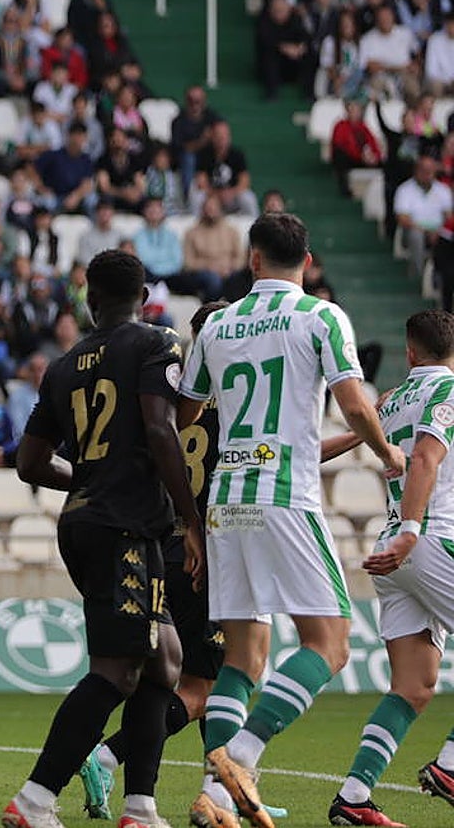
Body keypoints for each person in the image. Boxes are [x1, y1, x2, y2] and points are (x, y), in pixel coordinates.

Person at [178, 213, 404, 828]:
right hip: (285, 496)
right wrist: (387, 453)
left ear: (253, 260)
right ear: (307, 262)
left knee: (240, 661)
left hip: (226, 501)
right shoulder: (322, 316)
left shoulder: (218, 323)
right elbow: (355, 402)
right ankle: (241, 759)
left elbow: (186, 414)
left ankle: (215, 798)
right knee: (329, 646)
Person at [1, 248, 204, 828]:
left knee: (165, 662)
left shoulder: (63, 365)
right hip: (127, 528)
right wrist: (190, 521)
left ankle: (140, 806)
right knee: (118, 669)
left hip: (84, 520)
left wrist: (86, 477)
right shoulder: (155, 343)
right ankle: (35, 800)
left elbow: (30, 463)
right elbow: (162, 429)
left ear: (88, 300)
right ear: (144, 298)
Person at [323, 310, 454, 826]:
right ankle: (449, 768)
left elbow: (372, 442)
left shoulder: (391, 400)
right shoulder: (448, 392)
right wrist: (413, 531)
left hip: (394, 552)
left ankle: (353, 797)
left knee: (415, 686)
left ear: (411, 352)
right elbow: (423, 458)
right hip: (424, 539)